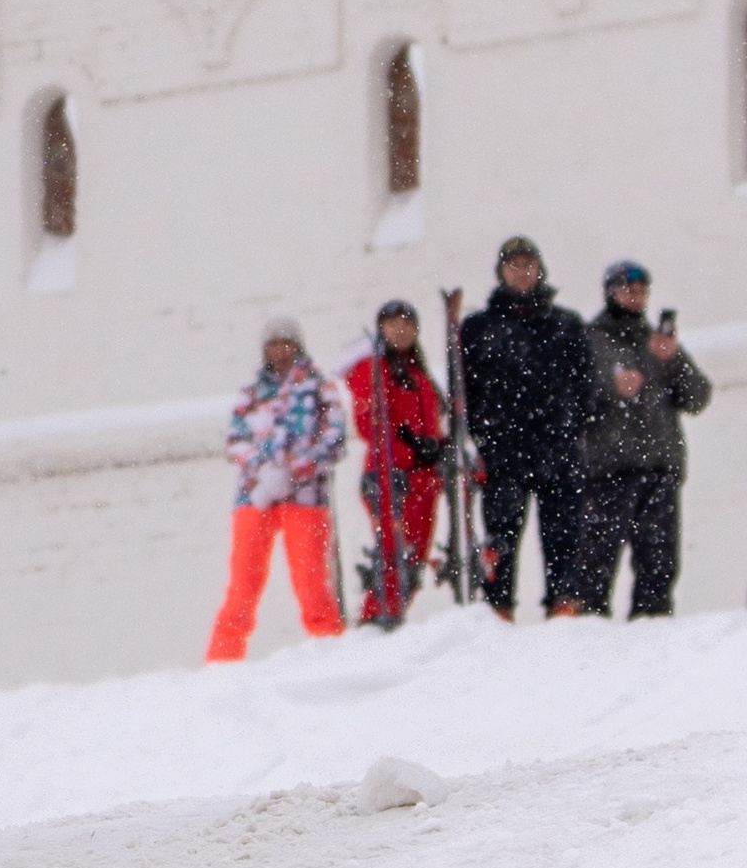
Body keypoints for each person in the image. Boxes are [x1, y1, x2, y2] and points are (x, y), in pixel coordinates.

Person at [460, 237, 598, 619]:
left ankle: (563, 606)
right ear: (501, 272)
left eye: (528, 264)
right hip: (504, 454)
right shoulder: (478, 328)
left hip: (558, 450)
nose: (522, 272)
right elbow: (466, 390)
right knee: (500, 538)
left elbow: (585, 384)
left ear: (539, 270)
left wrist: (570, 429)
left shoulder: (565, 325)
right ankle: (498, 610)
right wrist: (485, 434)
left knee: (563, 536)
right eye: (514, 265)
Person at [205, 319, 346, 661]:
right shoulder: (251, 392)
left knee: (312, 585)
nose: (280, 351)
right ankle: (222, 662)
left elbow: (335, 438)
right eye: (274, 344)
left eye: (287, 343)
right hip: (255, 496)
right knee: (242, 587)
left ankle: (333, 654)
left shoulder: (318, 386)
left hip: (306, 497)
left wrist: (298, 468)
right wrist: (263, 469)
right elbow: (235, 440)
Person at [579, 262, 710, 617]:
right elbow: (572, 401)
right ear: (611, 293)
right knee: (595, 571)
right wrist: (609, 388)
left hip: (659, 470)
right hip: (609, 472)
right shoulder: (590, 341)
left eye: (641, 292)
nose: (635, 298)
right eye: (628, 290)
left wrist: (674, 360)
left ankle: (653, 641)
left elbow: (698, 397)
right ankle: (587, 643)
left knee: (659, 568)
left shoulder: (658, 342)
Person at [344, 300, 447, 625]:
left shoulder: (419, 374)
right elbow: (368, 423)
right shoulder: (372, 369)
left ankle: (395, 613)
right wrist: (408, 444)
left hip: (423, 478)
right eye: (392, 323)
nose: (400, 330)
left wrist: (434, 446)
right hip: (390, 474)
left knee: (413, 556)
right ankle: (376, 615)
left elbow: (432, 421)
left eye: (406, 323)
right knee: (392, 550)